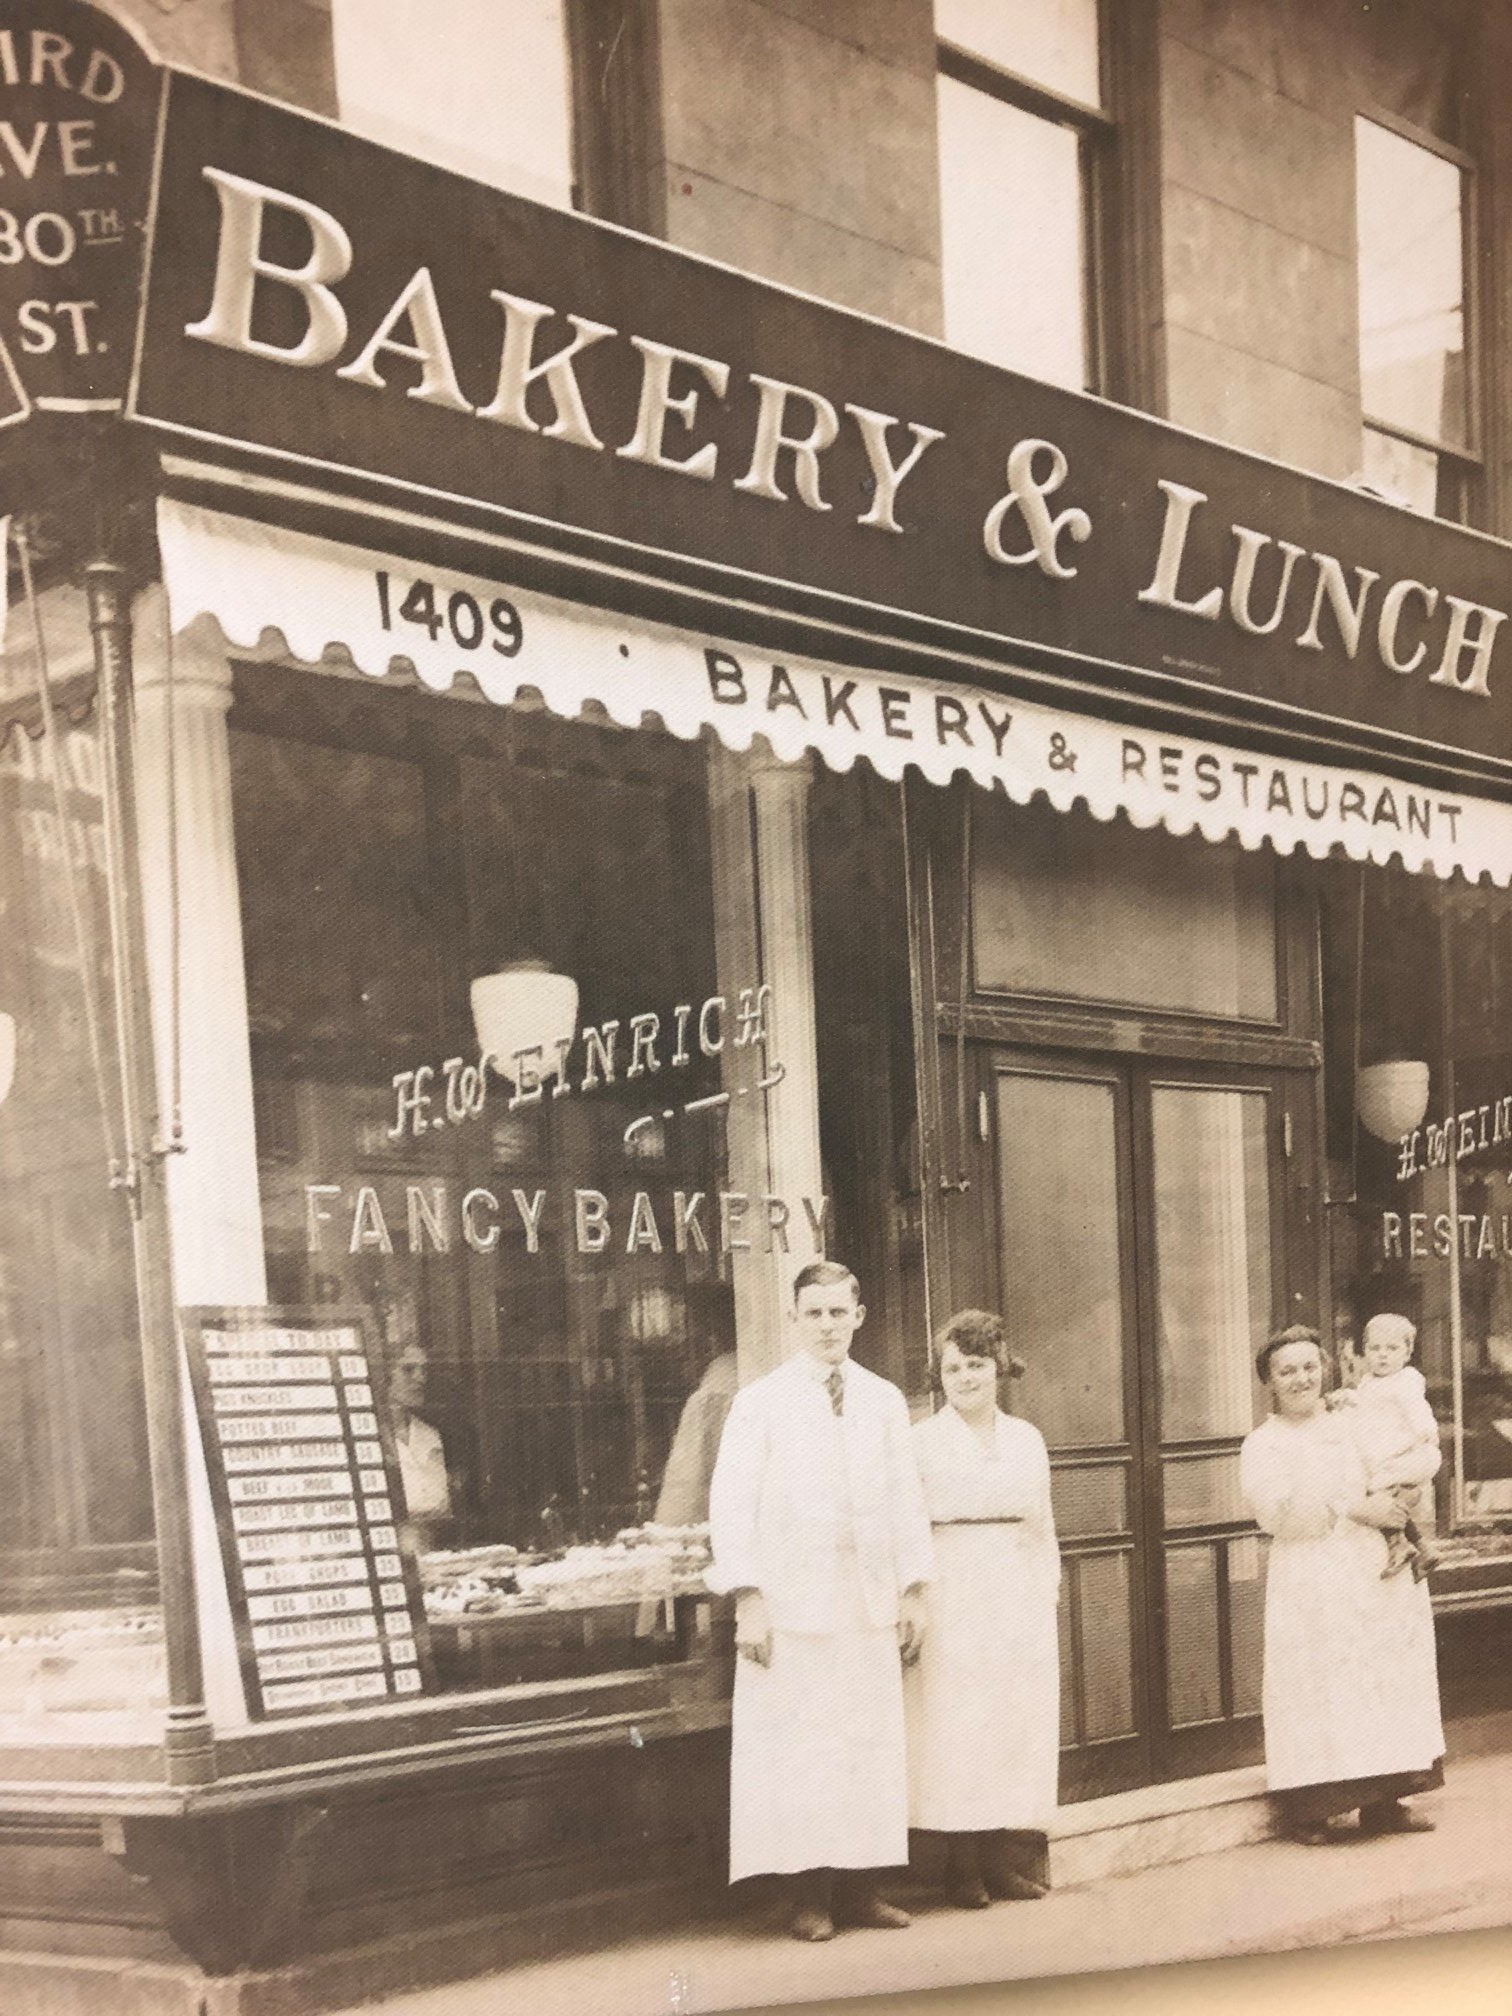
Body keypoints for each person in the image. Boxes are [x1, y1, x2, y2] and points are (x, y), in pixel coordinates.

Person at [706, 1260, 934, 1942]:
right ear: (795, 1319)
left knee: (865, 1746)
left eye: (839, 1312)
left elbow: (905, 1501)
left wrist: (912, 1591)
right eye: (815, 1313)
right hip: (793, 1605)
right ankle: (808, 1897)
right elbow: (731, 1505)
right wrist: (748, 1596)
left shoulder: (884, 1400)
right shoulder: (761, 1402)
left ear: (859, 1316)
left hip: (865, 1602)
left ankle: (863, 1890)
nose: (828, 1326)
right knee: (802, 1752)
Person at [1240, 1325, 1445, 1846]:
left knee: (1380, 1680)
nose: (1301, 1378)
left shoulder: (1355, 1422)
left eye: (1310, 1367)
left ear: (1325, 1370)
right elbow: (1277, 1515)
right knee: (1320, 1687)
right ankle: (1312, 1810)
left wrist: (1407, 1494)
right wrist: (1354, 1506)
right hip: (1313, 1577)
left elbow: (1401, 1460)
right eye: (1287, 1371)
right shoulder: (1264, 1444)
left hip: (1373, 1570)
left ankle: (1387, 1801)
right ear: (1270, 1380)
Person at [904, 1311, 1060, 1910]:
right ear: (938, 1374)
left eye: (977, 1364)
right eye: (953, 1367)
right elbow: (908, 1525)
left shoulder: (1026, 1438)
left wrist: (1045, 1588)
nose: (965, 1377)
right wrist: (914, 1595)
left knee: (1010, 1723)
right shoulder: (921, 1441)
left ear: (999, 1368)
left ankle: (1000, 1860)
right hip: (953, 1587)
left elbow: (1043, 1524)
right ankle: (960, 1867)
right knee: (957, 1725)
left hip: (1016, 1590)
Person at [1334, 1313, 1439, 1581]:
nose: (1383, 1356)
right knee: (1388, 1498)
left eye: (1392, 1349)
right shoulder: (1370, 1382)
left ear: (1407, 1353)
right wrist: (1346, 1397)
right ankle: (1422, 1548)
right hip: (1388, 1454)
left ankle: (1398, 1544)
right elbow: (1364, 1405)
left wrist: (1425, 1432)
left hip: (1407, 1454)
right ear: (1365, 1351)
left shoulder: (1406, 1380)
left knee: (1377, 1494)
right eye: (1375, 1348)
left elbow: (1417, 1408)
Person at [387, 1343, 455, 1551]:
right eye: (408, 1370)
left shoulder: (430, 1435)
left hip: (433, 1548)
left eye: (423, 1370)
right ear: (383, 1375)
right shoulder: (367, 1436)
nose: (420, 1378)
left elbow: (440, 1504)